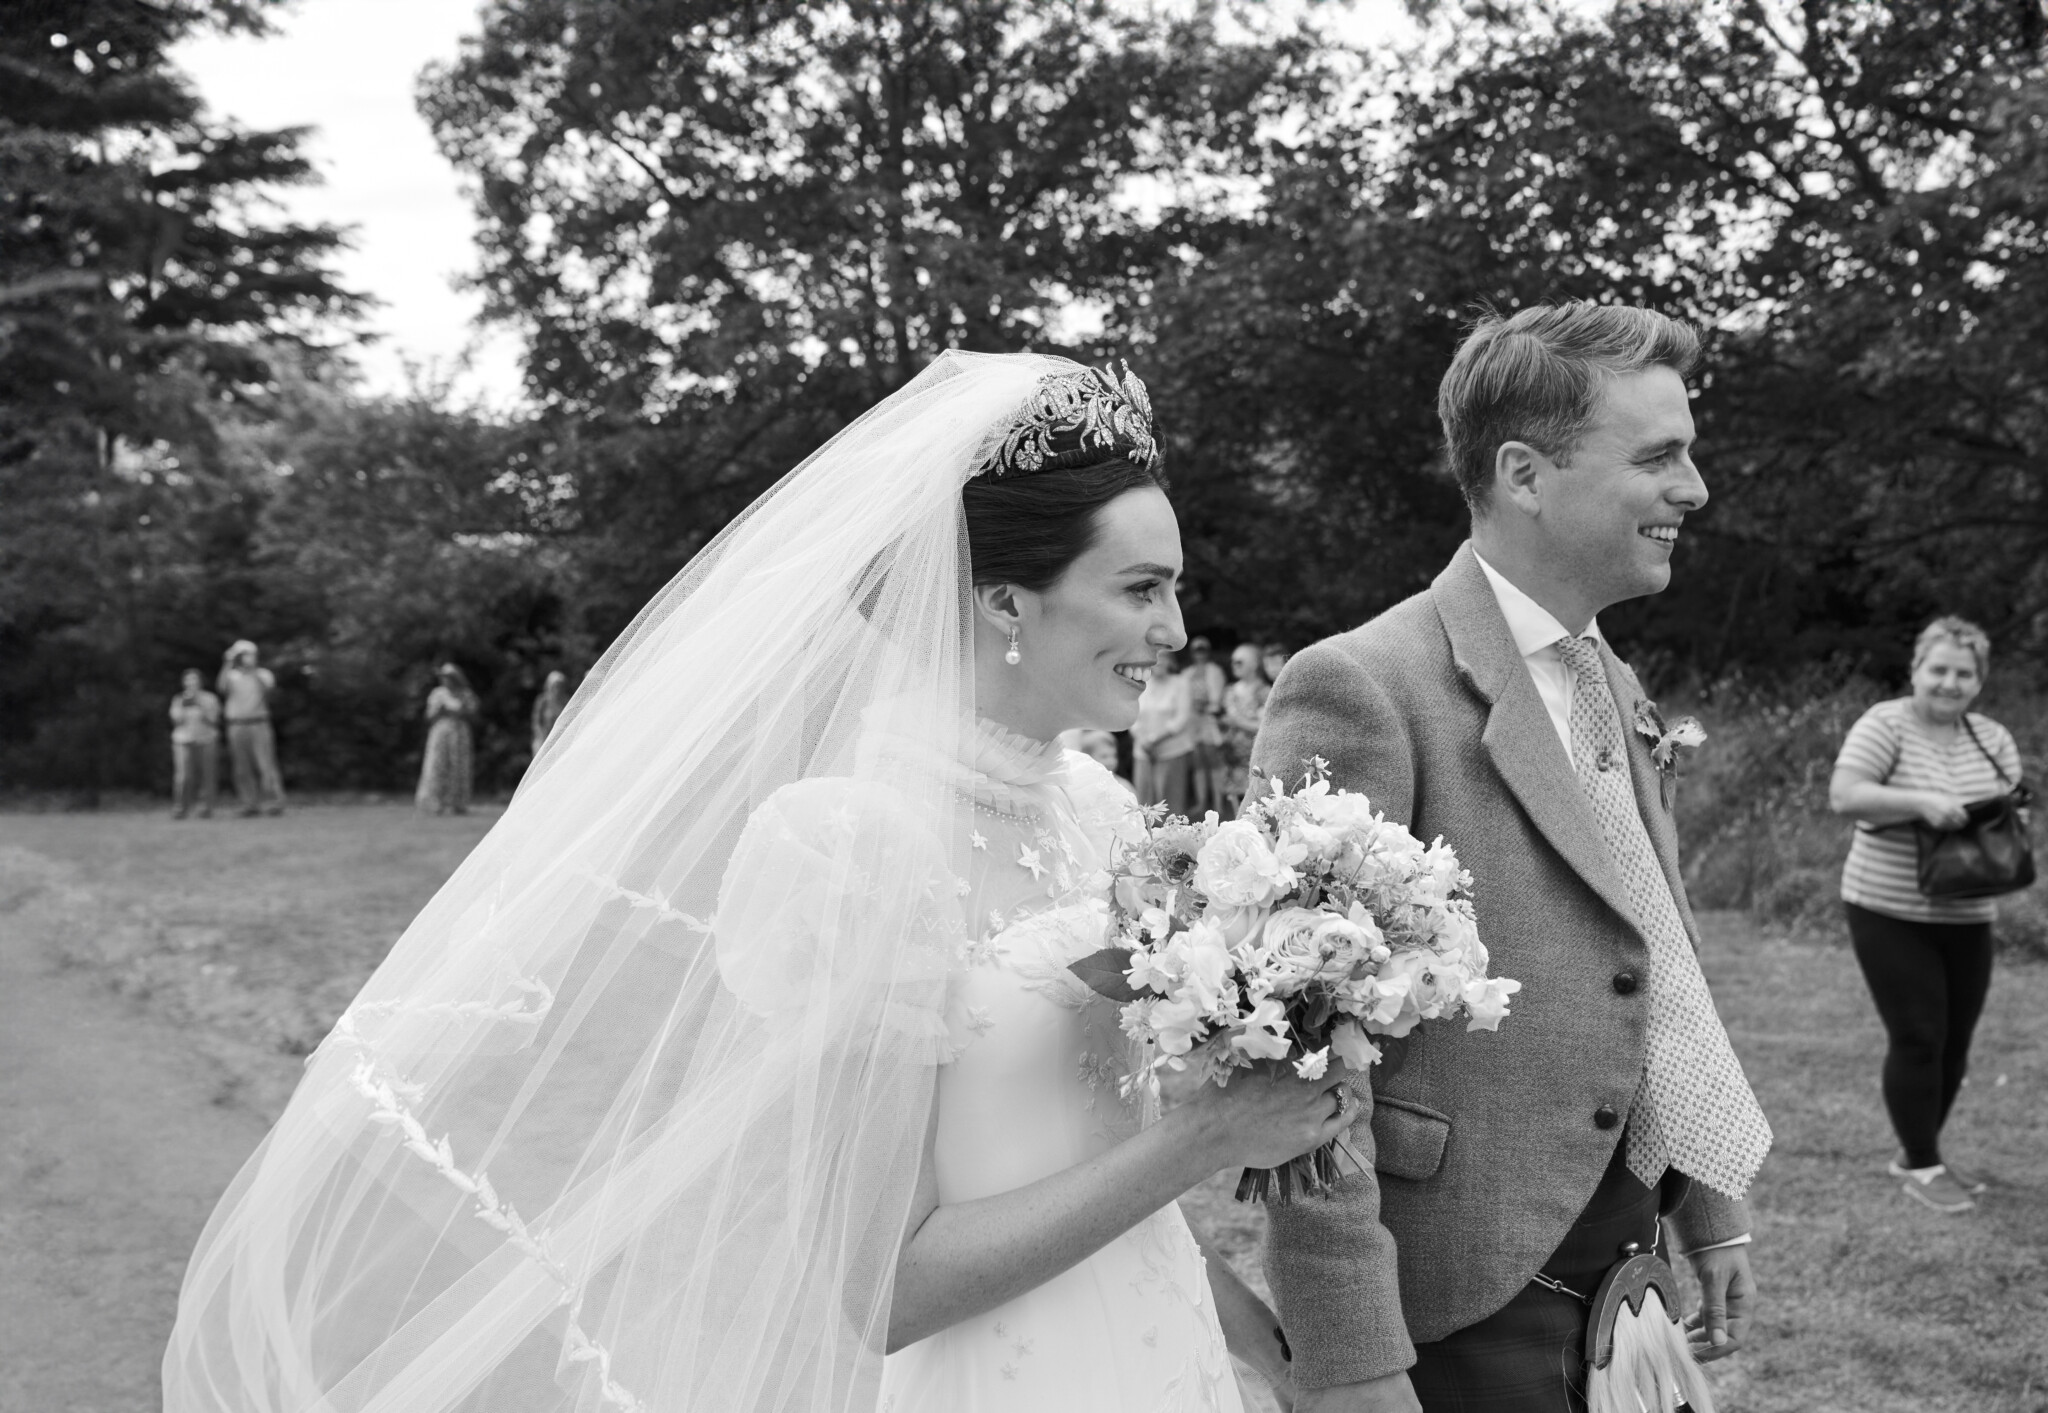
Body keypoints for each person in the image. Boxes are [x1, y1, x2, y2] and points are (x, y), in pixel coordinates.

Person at [165, 353, 1351, 1413]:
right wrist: (1201, 1144)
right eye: (1140, 588)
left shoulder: (1099, 810)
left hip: (1160, 1359)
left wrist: (1261, 1344)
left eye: (1172, 588)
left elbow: (1104, 1142)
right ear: (1003, 601)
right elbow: (884, 1288)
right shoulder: (854, 845)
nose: (1174, 627)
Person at [1254, 302, 1771, 1412]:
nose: (1693, 489)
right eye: (1658, 457)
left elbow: (1645, 950)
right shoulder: (1359, 688)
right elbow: (1295, 1059)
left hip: (1626, 1263)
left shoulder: (1610, 679)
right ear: (1524, 474)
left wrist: (1704, 1204)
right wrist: (1349, 1357)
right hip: (1455, 1293)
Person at [1828, 616, 2023, 1214]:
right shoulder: (1885, 724)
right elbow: (1845, 795)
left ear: (1979, 681)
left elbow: (2011, 811)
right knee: (1918, 1035)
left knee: (1955, 1040)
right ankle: (1922, 1164)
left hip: (1969, 911)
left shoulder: (1992, 738)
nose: (1949, 683)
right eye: (1938, 669)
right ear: (1915, 670)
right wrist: (1922, 803)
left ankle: (1919, 1152)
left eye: (1964, 673)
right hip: (1888, 908)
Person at [216, 640, 285, 816]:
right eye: (242, 655)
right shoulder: (231, 675)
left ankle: (274, 803)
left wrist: (252, 669)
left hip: (259, 724)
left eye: (249, 654)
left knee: (265, 764)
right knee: (241, 768)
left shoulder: (263, 674)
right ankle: (249, 804)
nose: (245, 658)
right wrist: (227, 662)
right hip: (236, 726)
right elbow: (221, 687)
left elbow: (268, 690)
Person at [1132, 646, 1199, 817]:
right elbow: (1132, 716)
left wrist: (1155, 740)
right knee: (1144, 804)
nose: (1159, 662)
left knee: (1170, 805)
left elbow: (1182, 719)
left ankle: (1173, 834)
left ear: (1171, 661)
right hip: (1143, 752)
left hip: (1172, 751)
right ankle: (1145, 833)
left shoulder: (1180, 683)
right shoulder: (1140, 683)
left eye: (1164, 657)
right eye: (1155, 657)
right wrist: (1144, 742)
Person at [416, 663, 481, 815]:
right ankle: (434, 803)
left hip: (459, 733)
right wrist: (439, 710)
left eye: (448, 677)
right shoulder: (437, 694)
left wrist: (462, 711)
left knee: (458, 766)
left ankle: (456, 803)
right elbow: (428, 716)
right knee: (437, 765)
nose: (445, 680)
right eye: (443, 677)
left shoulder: (465, 694)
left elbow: (475, 714)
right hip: (440, 733)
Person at [1218, 643, 1270, 815]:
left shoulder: (1265, 692)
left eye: (1239, 661)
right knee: (1235, 811)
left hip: (1255, 761)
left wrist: (1237, 721)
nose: (1234, 665)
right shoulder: (1229, 690)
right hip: (1231, 760)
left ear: (1254, 664)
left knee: (1257, 812)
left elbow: (1264, 727)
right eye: (1233, 661)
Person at [168, 669, 222, 819]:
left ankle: (206, 808)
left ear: (200, 681)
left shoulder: (210, 698)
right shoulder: (178, 699)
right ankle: (180, 808)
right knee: (183, 776)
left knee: (207, 775)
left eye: (194, 679)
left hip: (206, 740)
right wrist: (183, 706)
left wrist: (200, 705)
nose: (191, 682)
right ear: (184, 682)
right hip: (183, 740)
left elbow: (214, 720)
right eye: (188, 679)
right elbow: (176, 720)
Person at [1183, 636, 1229, 813]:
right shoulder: (1187, 673)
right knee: (1198, 764)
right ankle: (1201, 802)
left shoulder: (1215, 671)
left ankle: (1218, 802)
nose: (1200, 654)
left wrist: (1207, 705)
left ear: (1208, 652)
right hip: (1192, 722)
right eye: (1197, 650)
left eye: (1202, 650)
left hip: (1209, 720)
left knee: (1214, 762)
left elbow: (1218, 697)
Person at [530, 669, 571, 756]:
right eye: (556, 686)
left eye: (561, 686)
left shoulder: (566, 701)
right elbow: (536, 722)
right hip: (543, 740)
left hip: (561, 741)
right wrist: (542, 737)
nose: (558, 689)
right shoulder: (543, 701)